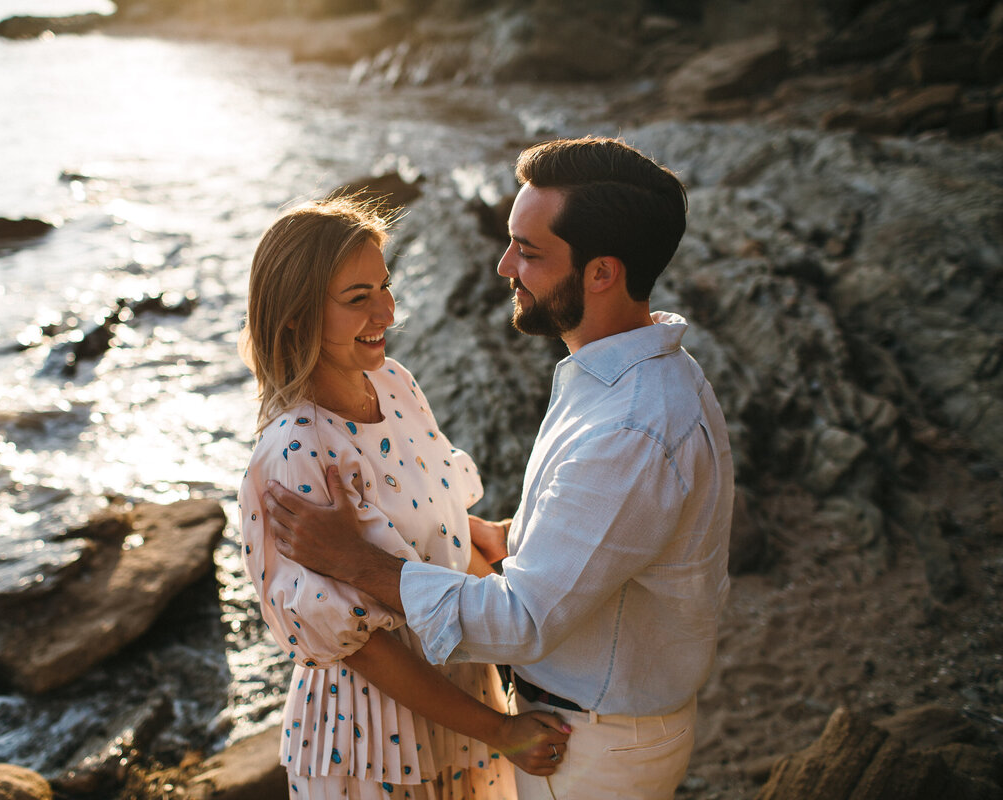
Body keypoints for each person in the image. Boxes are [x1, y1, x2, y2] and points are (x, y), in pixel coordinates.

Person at [263, 137, 734, 800]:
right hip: (578, 726)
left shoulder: (630, 427)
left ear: (601, 273)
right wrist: (489, 536)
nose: (503, 265)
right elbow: (605, 540)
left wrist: (357, 561)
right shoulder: (629, 376)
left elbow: (522, 622)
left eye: (529, 251)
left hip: (590, 746)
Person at [237, 197, 571, 800]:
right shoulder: (296, 450)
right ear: (294, 317)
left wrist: (512, 572)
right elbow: (359, 644)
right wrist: (500, 730)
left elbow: (438, 534)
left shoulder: (394, 384)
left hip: (464, 697)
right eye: (357, 297)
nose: (386, 311)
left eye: (385, 286)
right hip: (374, 738)